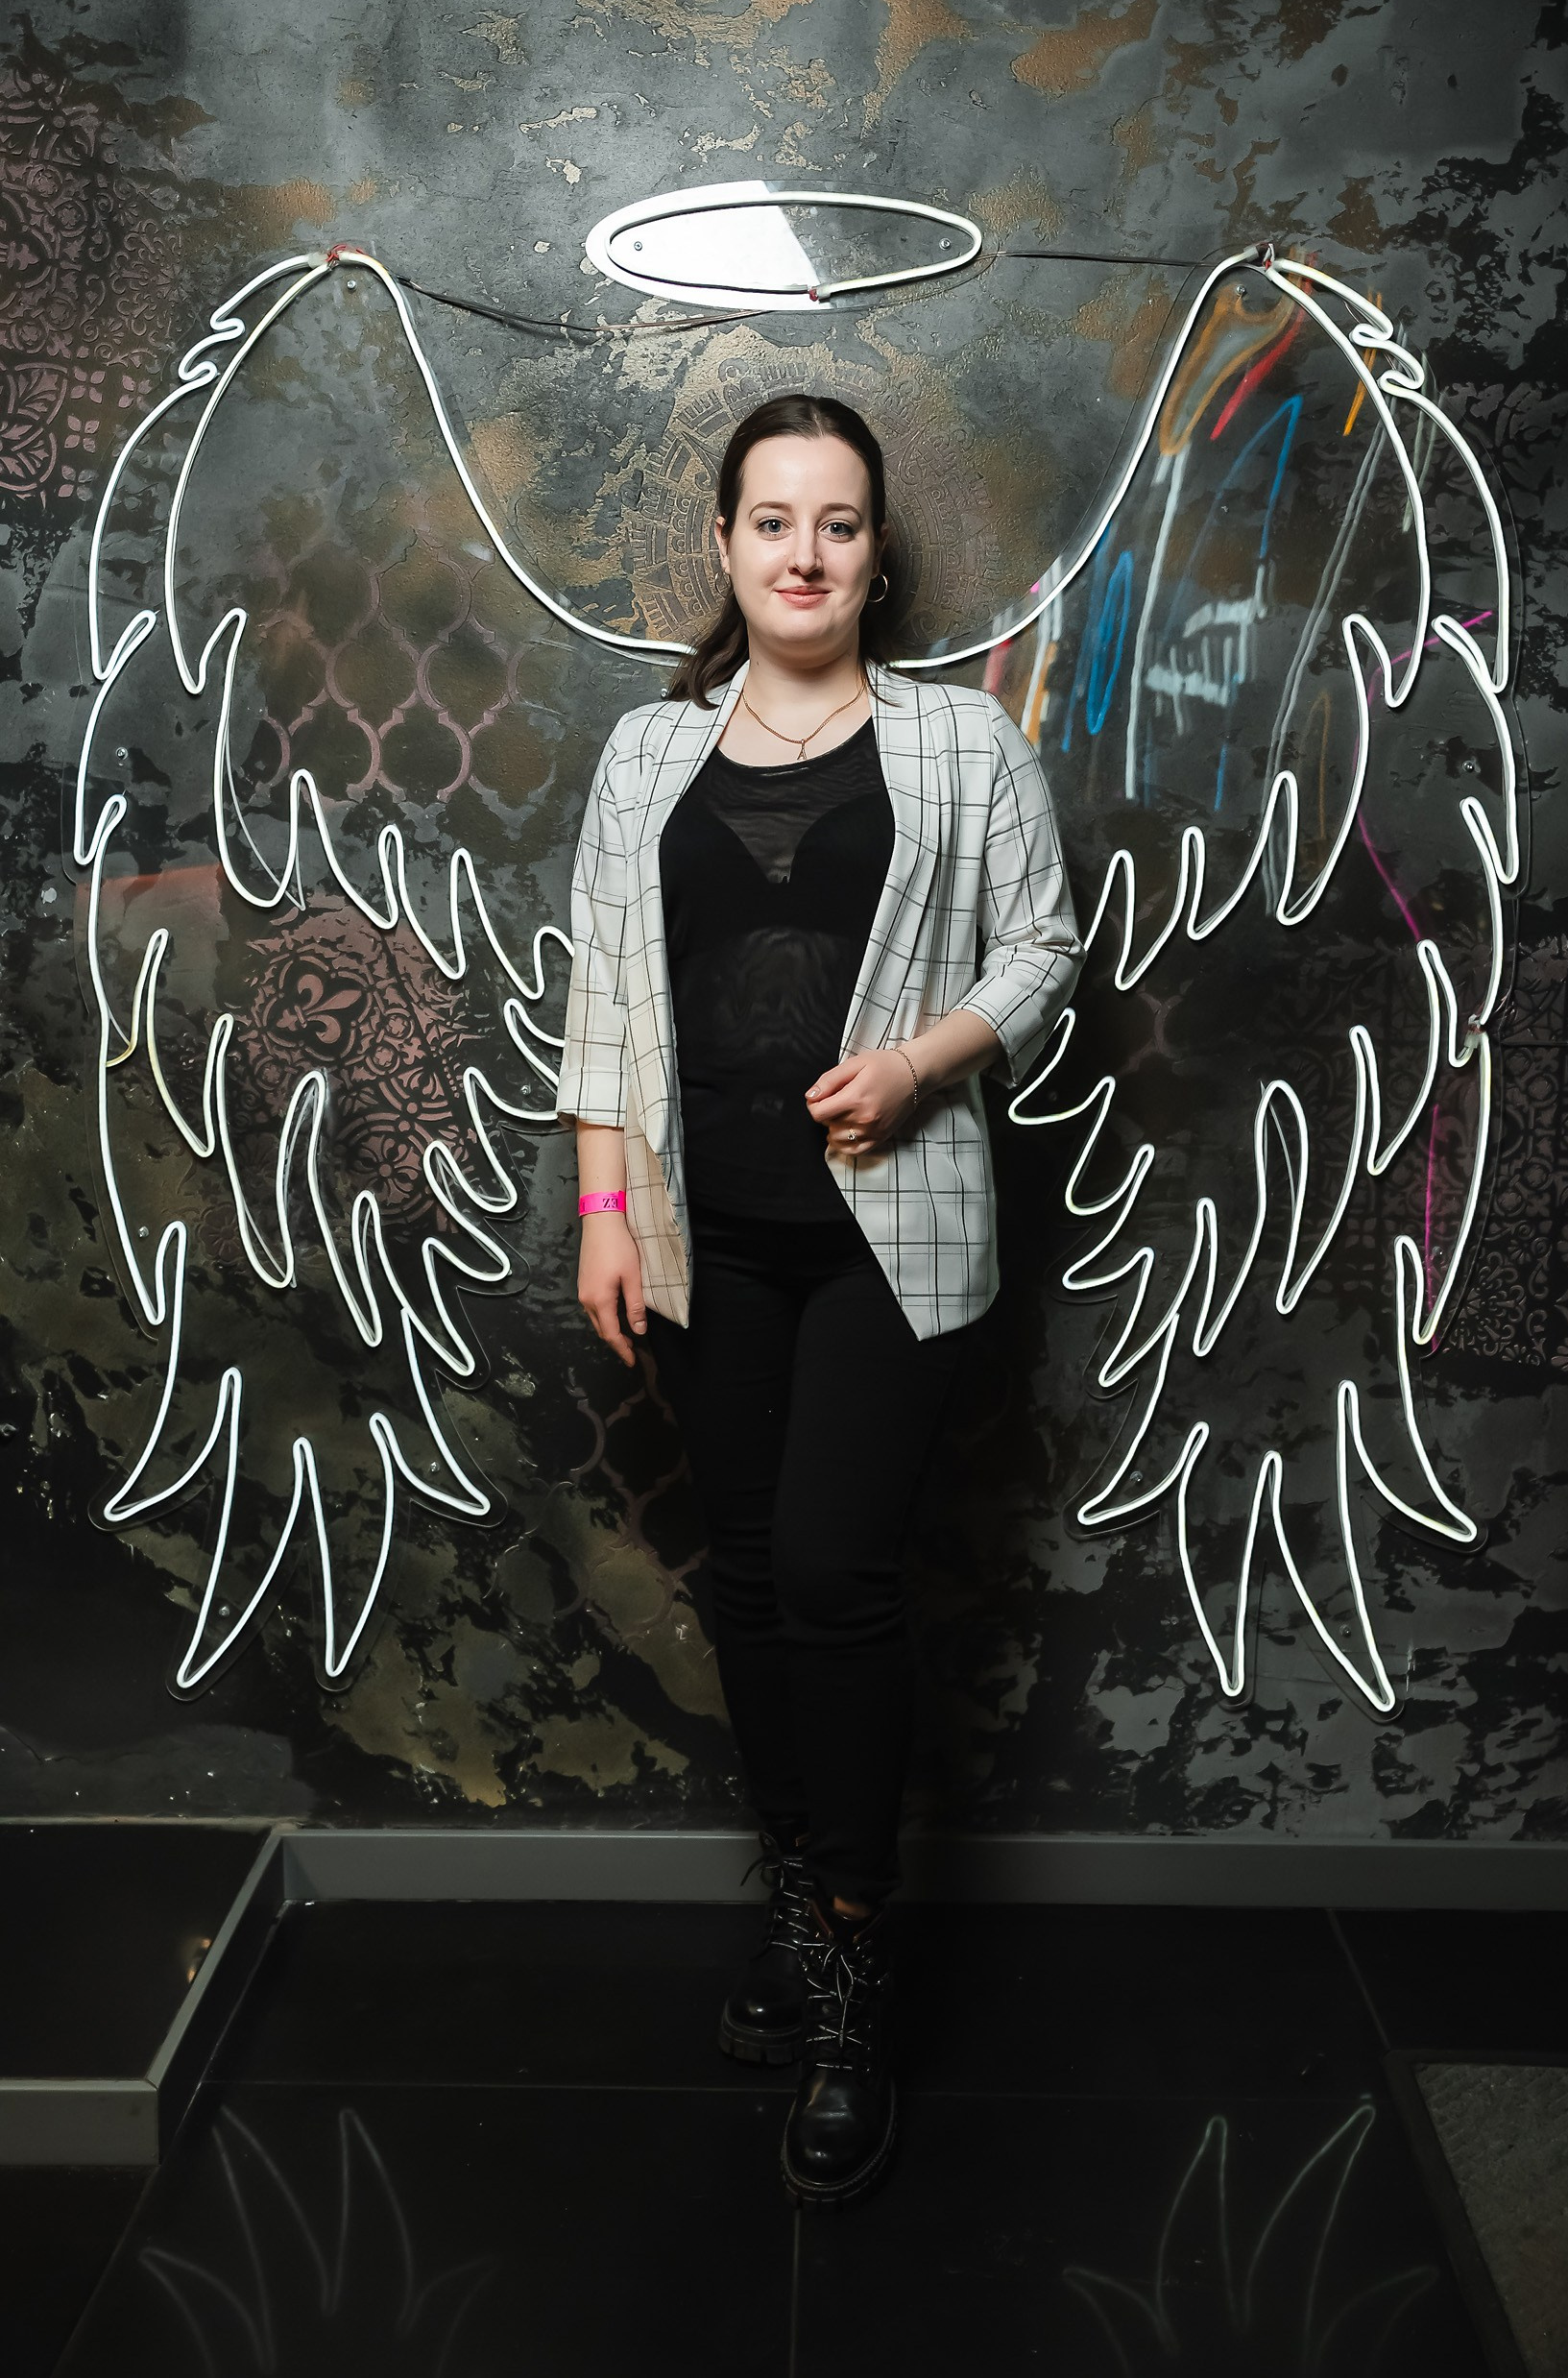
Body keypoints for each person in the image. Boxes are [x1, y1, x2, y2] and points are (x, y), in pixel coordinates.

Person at [556, 393, 1081, 2209]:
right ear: (723, 543)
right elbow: (606, 990)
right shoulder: (647, 752)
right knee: (755, 1583)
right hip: (703, 1232)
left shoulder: (958, 741)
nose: (804, 552)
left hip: (889, 1235)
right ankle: (799, 1899)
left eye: (838, 523)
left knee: (839, 1573)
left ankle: (854, 1967)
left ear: (875, 553)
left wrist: (927, 1061)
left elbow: (1045, 948)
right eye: (772, 520)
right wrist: (602, 1211)